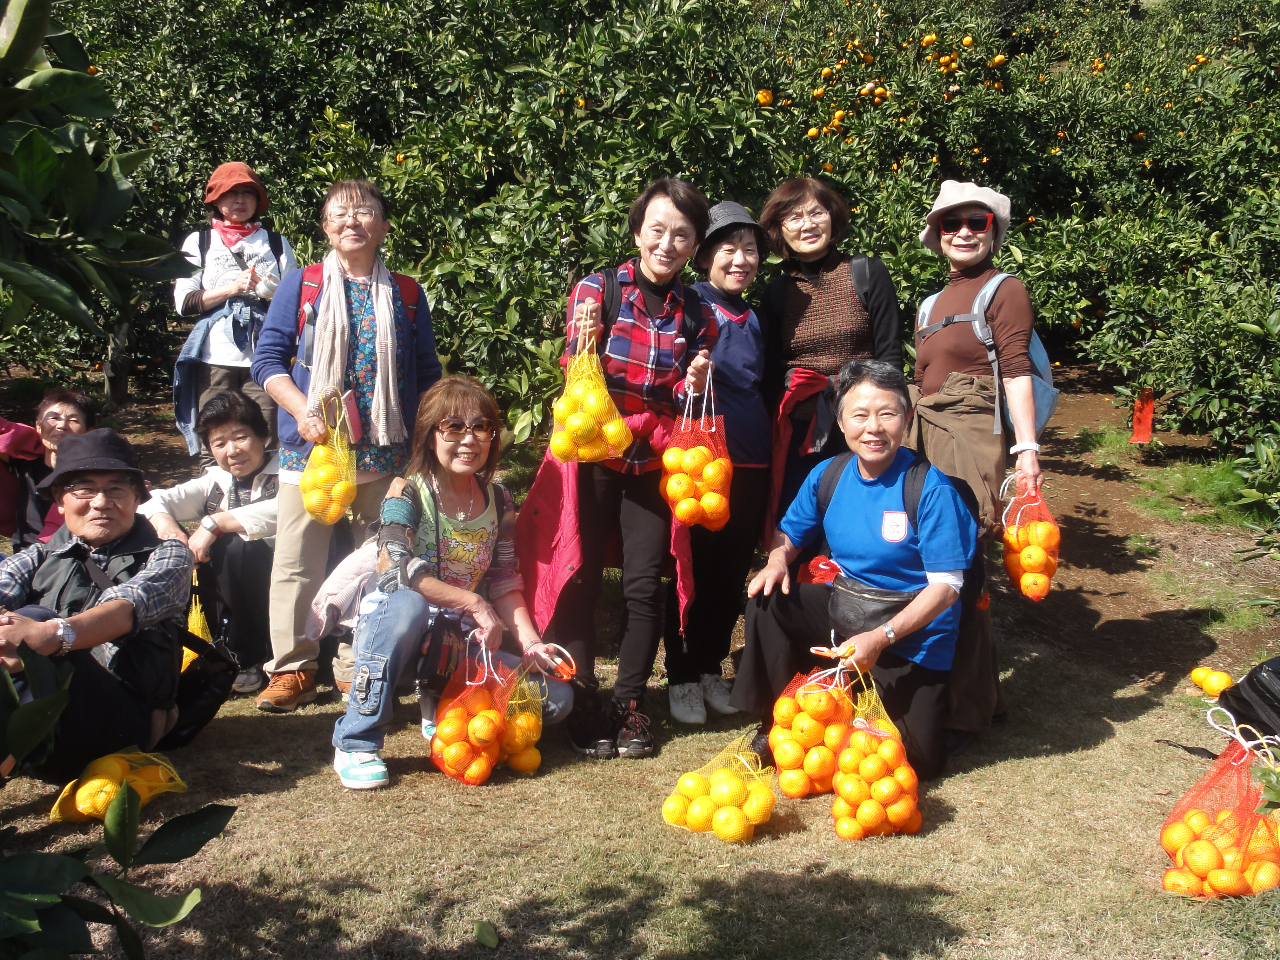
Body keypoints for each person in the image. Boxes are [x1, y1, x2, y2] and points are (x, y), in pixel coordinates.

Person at [516, 178, 715, 760]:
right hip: (594, 448)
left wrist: (694, 380)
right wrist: (580, 346)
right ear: (637, 233)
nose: (667, 243)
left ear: (694, 244)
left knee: (642, 585)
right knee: (577, 575)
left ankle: (631, 705)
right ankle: (579, 697)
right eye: (657, 230)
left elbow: (682, 389)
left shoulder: (698, 307)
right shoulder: (597, 289)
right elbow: (577, 375)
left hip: (654, 459)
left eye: (681, 234)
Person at [728, 361, 978, 781]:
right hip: (847, 611)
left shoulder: (930, 489)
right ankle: (780, 721)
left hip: (911, 637)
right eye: (860, 415)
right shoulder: (828, 474)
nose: (874, 428)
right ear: (841, 421)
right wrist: (775, 561)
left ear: (907, 419)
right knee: (768, 600)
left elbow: (949, 588)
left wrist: (882, 638)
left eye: (887, 414)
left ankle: (872, 697)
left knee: (913, 763)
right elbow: (788, 533)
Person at [252, 179, 441, 711]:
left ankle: (363, 661)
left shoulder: (406, 291)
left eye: (365, 213)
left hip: (385, 451)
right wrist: (301, 409)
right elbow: (267, 360)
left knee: (382, 560)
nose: (351, 221)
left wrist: (422, 445)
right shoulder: (302, 285)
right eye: (339, 214)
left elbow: (426, 372)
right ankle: (291, 668)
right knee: (296, 561)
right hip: (311, 451)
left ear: (383, 226)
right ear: (325, 227)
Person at [331, 376, 571, 789]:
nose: (469, 439)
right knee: (408, 604)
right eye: (453, 426)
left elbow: (503, 579)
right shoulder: (405, 492)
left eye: (480, 427)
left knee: (556, 701)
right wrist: (473, 603)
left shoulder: (498, 499)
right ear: (429, 436)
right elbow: (396, 568)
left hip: (456, 639)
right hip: (398, 627)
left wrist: (532, 645)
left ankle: (441, 704)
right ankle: (356, 739)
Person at [909, 181, 1042, 750]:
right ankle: (977, 694)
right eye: (950, 223)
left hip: (970, 440)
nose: (963, 231)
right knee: (938, 563)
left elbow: (1015, 371)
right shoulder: (929, 303)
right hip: (926, 436)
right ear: (937, 235)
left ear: (993, 230)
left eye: (976, 222)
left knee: (960, 565)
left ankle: (964, 710)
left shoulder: (1003, 290)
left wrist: (1027, 449)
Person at [0, 429, 193, 782]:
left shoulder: (169, 555)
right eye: (84, 489)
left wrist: (52, 633)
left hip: (119, 719)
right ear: (59, 500)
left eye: (116, 489)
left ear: (137, 498)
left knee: (35, 616)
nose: (101, 502)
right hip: (42, 717)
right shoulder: (40, 555)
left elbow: (125, 607)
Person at [661, 202, 771, 725]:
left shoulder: (754, 316)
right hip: (701, 462)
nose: (740, 259)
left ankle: (707, 667)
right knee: (693, 572)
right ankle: (680, 676)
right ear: (705, 255)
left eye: (749, 250)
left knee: (728, 576)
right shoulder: (691, 305)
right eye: (728, 249)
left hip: (749, 463)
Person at [756, 177, 902, 529]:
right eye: (794, 217)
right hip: (798, 429)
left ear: (832, 217)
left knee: (858, 519)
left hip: (862, 423)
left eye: (816, 212)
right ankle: (795, 582)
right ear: (779, 229)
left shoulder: (866, 273)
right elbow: (770, 370)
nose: (807, 224)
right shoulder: (776, 291)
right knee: (800, 519)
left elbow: (890, 357)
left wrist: (884, 419)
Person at [138, 391, 279, 694]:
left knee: (233, 542)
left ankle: (247, 657)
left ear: (263, 435)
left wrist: (213, 524)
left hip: (286, 581)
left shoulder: (289, 471)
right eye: (219, 443)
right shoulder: (216, 481)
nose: (232, 450)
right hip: (234, 588)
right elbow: (152, 501)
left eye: (241, 437)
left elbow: (287, 510)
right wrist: (168, 527)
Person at [173, 162, 298, 467]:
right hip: (215, 356)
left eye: (247, 194)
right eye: (231, 193)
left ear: (258, 202)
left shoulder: (276, 243)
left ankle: (262, 503)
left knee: (266, 432)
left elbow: (295, 302)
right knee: (214, 434)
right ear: (215, 200)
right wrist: (231, 289)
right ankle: (214, 501)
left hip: (264, 355)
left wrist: (269, 292)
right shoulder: (200, 242)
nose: (239, 200)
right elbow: (184, 302)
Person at [0, 388, 95, 548]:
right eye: (53, 418)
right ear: (38, 426)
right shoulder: (24, 464)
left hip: (72, 556)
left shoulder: (95, 475)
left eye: (74, 420)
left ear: (89, 432)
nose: (61, 426)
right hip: (25, 553)